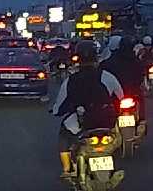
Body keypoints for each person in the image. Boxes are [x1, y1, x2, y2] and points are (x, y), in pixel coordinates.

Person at [50, 40, 123, 180]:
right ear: (96, 56)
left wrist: (56, 111)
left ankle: (68, 169)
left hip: (81, 123)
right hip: (106, 122)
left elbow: (58, 107)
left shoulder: (70, 80)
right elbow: (120, 96)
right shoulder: (107, 76)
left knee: (64, 137)